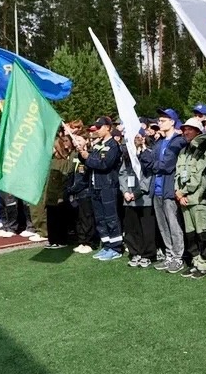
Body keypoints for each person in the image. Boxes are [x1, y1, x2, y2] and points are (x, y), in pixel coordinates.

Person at [77, 117, 124, 261]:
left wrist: (88, 157)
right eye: (96, 127)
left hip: (107, 186)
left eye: (100, 127)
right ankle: (107, 245)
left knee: (111, 217)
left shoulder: (113, 145)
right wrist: (82, 153)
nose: (97, 130)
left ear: (108, 127)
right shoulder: (97, 145)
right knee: (100, 218)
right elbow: (89, 161)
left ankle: (116, 247)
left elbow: (105, 164)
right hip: (95, 186)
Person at [175, 117, 206, 278]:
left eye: (190, 129)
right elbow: (178, 174)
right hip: (183, 199)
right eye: (184, 129)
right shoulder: (183, 151)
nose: (186, 132)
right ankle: (195, 261)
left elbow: (199, 176)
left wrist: (185, 193)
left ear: (198, 132)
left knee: (202, 233)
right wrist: (178, 192)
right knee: (190, 233)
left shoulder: (203, 150)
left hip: (197, 199)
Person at [149, 109, 188, 272]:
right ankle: (169, 254)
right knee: (163, 225)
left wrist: (154, 165)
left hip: (169, 189)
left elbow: (167, 165)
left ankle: (178, 257)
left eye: (163, 120)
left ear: (172, 122)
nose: (160, 123)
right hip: (156, 189)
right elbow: (149, 163)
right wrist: (154, 164)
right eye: (159, 120)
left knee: (173, 224)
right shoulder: (158, 143)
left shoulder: (178, 141)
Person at [119, 132, 156, 268]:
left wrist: (137, 193)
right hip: (129, 198)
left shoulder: (148, 154)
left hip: (144, 199)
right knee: (131, 228)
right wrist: (125, 192)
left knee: (146, 228)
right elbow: (122, 174)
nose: (137, 140)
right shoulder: (127, 156)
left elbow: (149, 176)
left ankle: (148, 254)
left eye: (139, 137)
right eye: (134, 138)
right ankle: (135, 252)